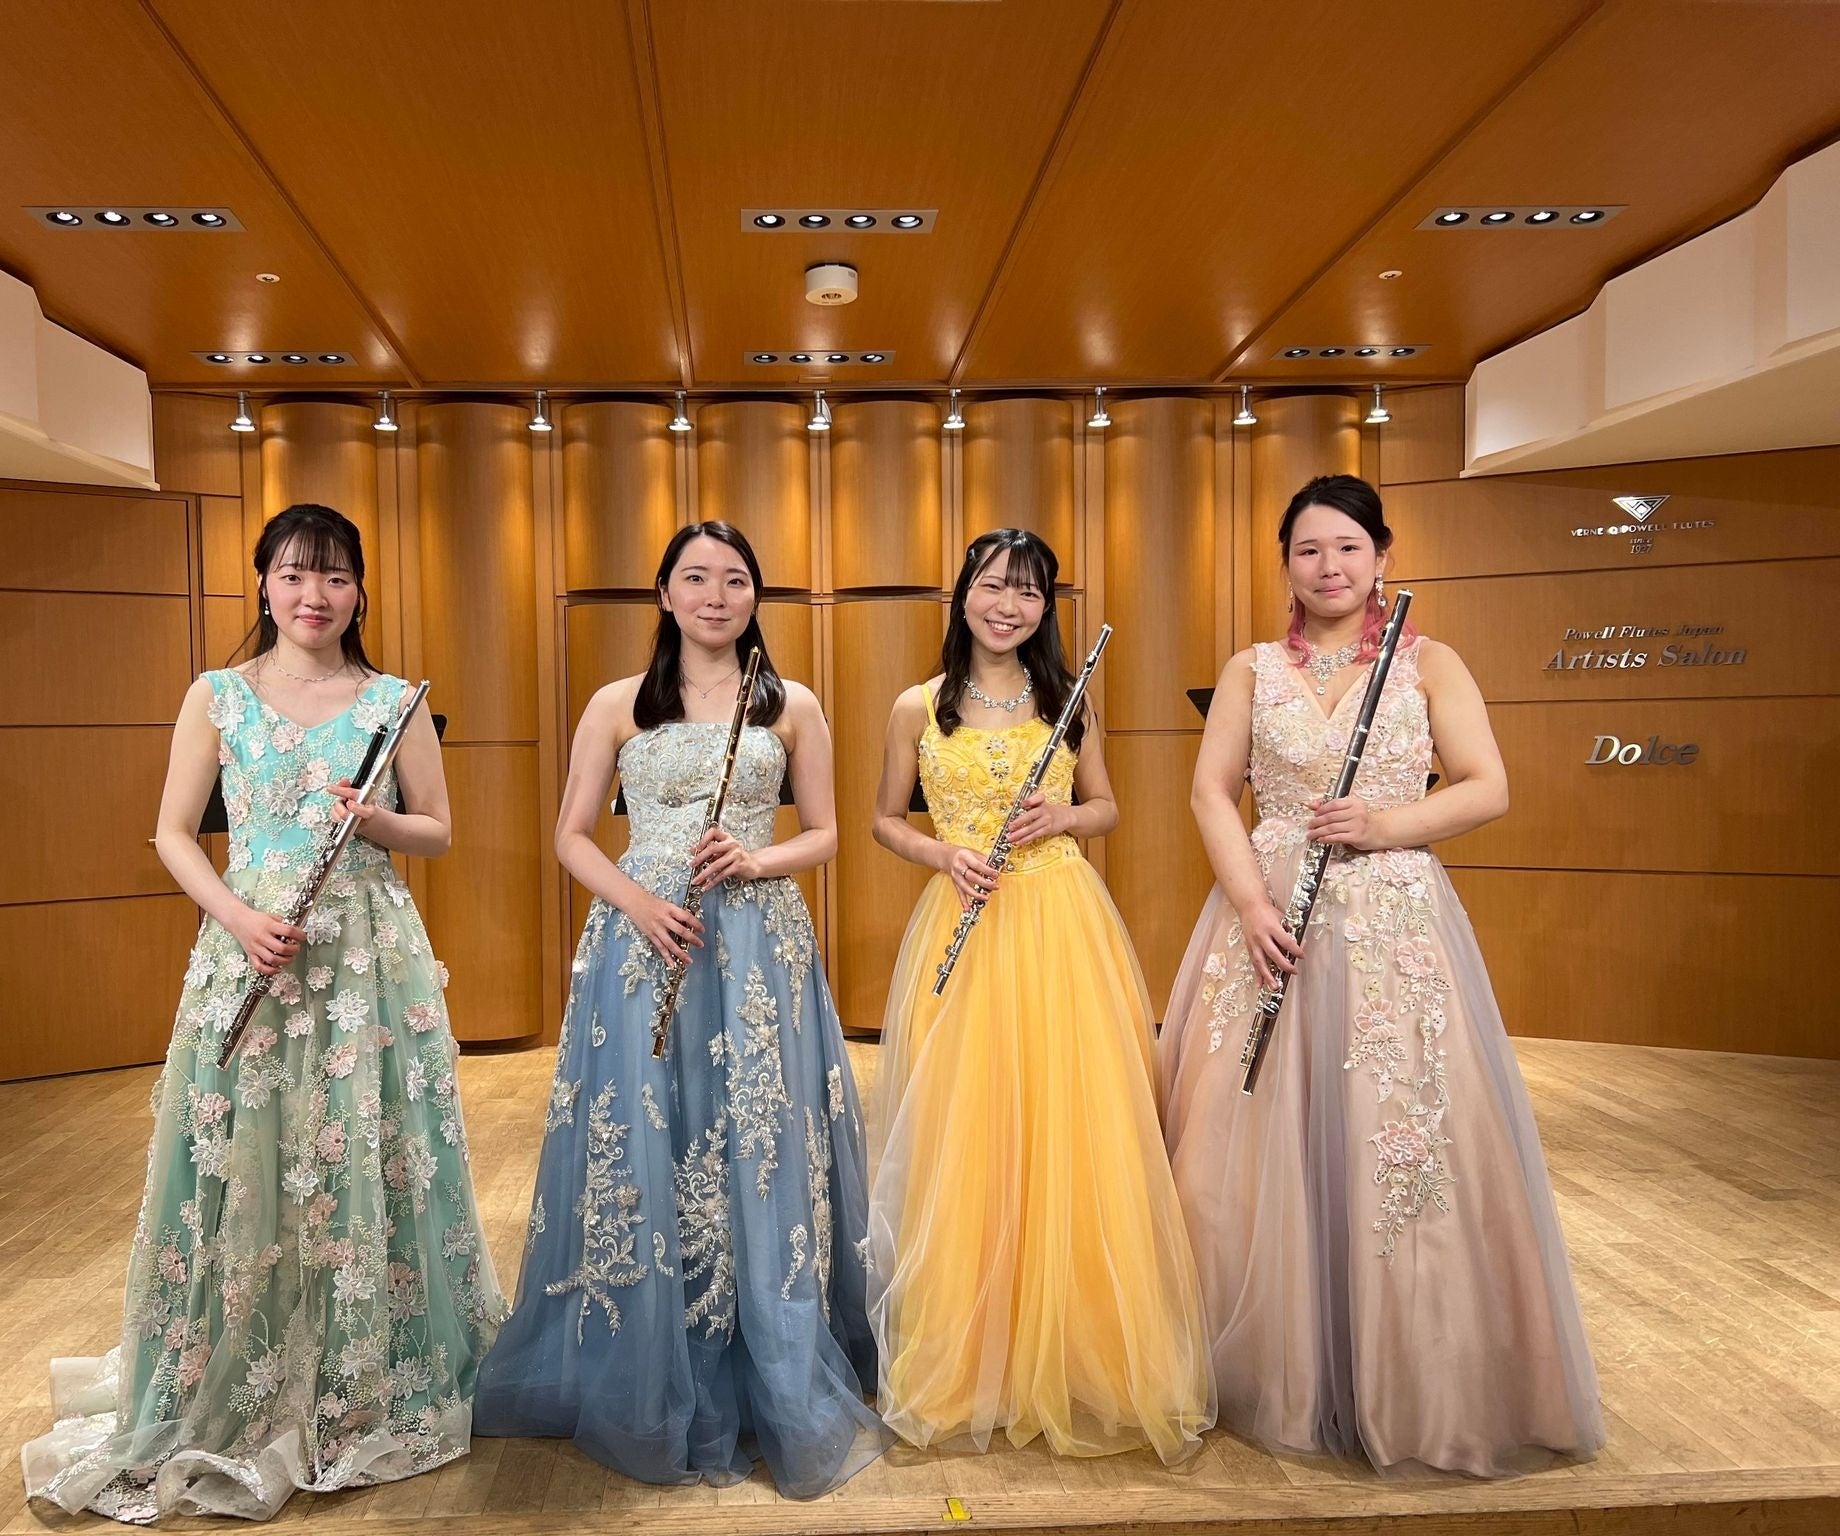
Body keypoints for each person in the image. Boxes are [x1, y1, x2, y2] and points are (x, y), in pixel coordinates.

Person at [22, 503, 504, 1522]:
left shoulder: (396, 701)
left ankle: (364, 1365)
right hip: (250, 948)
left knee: (366, 1153)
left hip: (365, 957)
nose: (313, 595)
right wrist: (238, 918)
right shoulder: (216, 695)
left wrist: (377, 821)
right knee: (244, 1153)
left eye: (334, 577)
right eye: (293, 574)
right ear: (263, 585)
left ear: (359, 592)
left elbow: (439, 832)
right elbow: (172, 833)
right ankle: (239, 1360)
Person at [1157, 473, 1603, 1476]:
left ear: (1381, 557)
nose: (1329, 567)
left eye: (1348, 548)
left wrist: (1385, 823)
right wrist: (1251, 904)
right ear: (1286, 564)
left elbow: (1487, 786)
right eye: (1309, 550)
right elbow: (1210, 793)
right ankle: (1254, 1363)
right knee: (1242, 1136)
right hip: (1267, 917)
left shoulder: (1430, 662)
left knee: (1394, 1130)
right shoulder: (1248, 669)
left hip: (1391, 919)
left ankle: (1408, 1375)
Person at [472, 521, 889, 1498]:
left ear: (755, 597)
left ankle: (769, 1352)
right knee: (649, 1132)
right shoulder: (617, 703)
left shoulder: (791, 704)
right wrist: (639, 903)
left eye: (735, 580)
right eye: (694, 578)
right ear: (663, 593)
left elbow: (826, 833)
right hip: (643, 940)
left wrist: (757, 855)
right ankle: (643, 1355)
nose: (715, 595)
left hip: (756, 945)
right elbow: (572, 836)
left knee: (757, 1138)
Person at [865, 528, 1213, 1461]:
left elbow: (1108, 807)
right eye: (993, 586)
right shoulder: (917, 705)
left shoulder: (1069, 699)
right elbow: (884, 819)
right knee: (967, 1129)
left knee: (1070, 1128)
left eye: (1028, 592)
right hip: (965, 918)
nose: (1008, 606)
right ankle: (973, 1352)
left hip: (1060, 922)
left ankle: (1076, 1349)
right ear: (964, 594)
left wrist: (1063, 814)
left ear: (1045, 607)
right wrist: (943, 852)